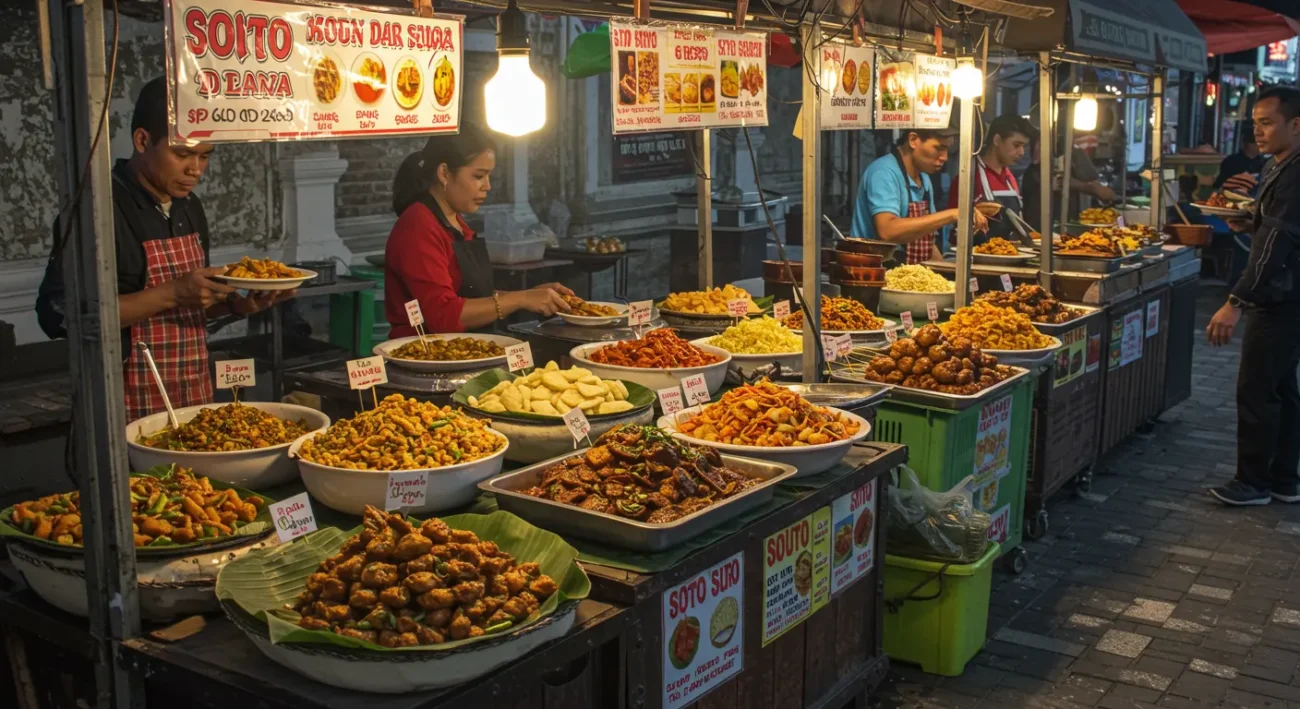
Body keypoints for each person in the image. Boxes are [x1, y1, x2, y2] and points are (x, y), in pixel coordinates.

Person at [35, 77, 290, 421]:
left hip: (191, 396)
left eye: (204, 156)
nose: (195, 170)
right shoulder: (95, 211)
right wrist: (172, 293)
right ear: (142, 140)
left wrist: (237, 304)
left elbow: (189, 311)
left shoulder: (189, 206)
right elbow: (58, 316)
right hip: (120, 410)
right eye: (182, 154)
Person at [1205, 86, 1300, 506]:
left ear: (1295, 125)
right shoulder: (1281, 166)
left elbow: (1274, 247)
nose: (1257, 132)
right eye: (1255, 123)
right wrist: (1249, 224)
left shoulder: (1294, 174)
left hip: (1280, 298)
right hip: (1288, 295)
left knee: (1258, 389)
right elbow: (1271, 233)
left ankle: (1253, 482)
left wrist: (1236, 302)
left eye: (1267, 123)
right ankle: (1283, 479)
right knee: (1282, 388)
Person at [385, 126, 572, 337]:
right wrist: (520, 299)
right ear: (444, 173)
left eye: (489, 176)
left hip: (465, 350)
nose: (487, 186)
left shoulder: (458, 224)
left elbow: (468, 297)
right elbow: (443, 315)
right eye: (478, 176)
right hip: (424, 355)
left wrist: (529, 295)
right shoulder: (418, 227)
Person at [851, 127, 988, 264]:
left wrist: (945, 275)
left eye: (947, 149)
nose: (945, 157)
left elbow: (926, 240)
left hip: (908, 275)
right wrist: (952, 214)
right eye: (939, 148)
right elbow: (887, 231)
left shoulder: (924, 178)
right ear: (913, 140)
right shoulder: (884, 173)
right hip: (871, 272)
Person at [947, 114, 1035, 242]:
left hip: (1010, 252)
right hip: (976, 256)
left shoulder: (1010, 178)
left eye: (1023, 147)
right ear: (997, 140)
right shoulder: (969, 178)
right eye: (1016, 145)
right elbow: (953, 226)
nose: (1021, 152)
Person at [1021, 138, 1117, 232]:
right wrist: (1089, 188)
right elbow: (1059, 182)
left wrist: (1094, 188)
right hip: (1039, 221)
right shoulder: (1033, 171)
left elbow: (1091, 179)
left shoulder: (1071, 150)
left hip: (1065, 216)